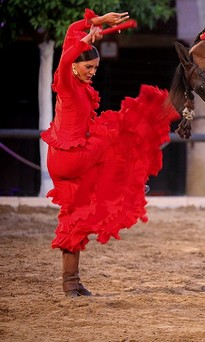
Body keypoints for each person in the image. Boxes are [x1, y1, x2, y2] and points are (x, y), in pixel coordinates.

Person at [41, 8, 180, 297]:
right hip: (72, 155)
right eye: (88, 68)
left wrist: (95, 22)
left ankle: (71, 282)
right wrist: (84, 42)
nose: (92, 73)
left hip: (63, 159)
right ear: (76, 68)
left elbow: (69, 34)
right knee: (118, 130)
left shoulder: (76, 79)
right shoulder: (66, 83)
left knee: (75, 215)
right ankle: (130, 182)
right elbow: (67, 55)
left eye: (95, 68)